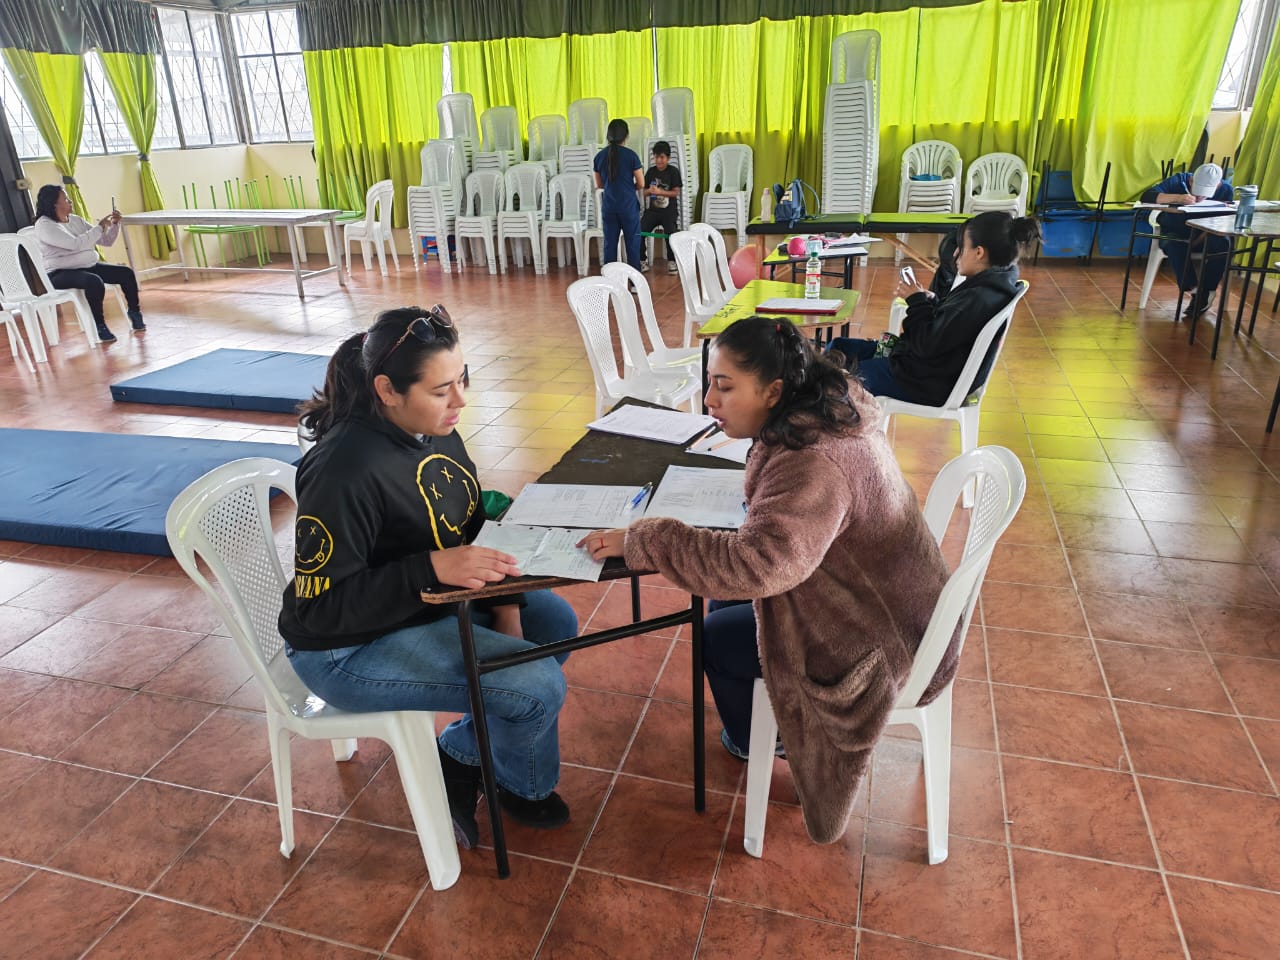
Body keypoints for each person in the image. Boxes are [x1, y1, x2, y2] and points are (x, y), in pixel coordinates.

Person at [579, 316, 952, 844]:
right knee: (718, 603)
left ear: (774, 391)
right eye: (710, 382)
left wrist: (650, 539)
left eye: (725, 387)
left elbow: (759, 565)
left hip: (881, 645)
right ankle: (762, 724)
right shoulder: (824, 414)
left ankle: (763, 741)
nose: (709, 399)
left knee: (714, 637)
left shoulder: (811, 461)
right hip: (894, 609)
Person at [279, 305, 579, 849]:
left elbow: (471, 526)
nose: (460, 401)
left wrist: (507, 603)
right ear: (388, 390)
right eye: (441, 390)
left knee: (554, 623)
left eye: (462, 380)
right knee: (535, 685)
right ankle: (518, 784)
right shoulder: (344, 470)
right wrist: (432, 567)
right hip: (345, 647)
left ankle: (459, 755)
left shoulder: (432, 429)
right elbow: (321, 611)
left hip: (423, 601)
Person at [826, 211, 1039, 406]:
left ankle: (827, 426)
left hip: (922, 382)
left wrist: (917, 301)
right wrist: (933, 301)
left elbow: (925, 343)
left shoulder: (979, 297)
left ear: (979, 252)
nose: (955, 253)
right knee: (838, 347)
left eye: (962, 247)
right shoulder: (993, 284)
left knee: (832, 377)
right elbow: (951, 330)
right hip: (929, 371)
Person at [32, 184, 144, 342]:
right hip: (59, 273)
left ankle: (134, 312)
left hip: (87, 266)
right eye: (65, 199)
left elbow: (106, 241)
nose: (70, 201)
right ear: (54, 203)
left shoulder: (75, 220)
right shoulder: (44, 225)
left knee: (125, 273)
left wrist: (114, 224)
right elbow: (75, 244)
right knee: (93, 281)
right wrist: (99, 228)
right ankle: (100, 325)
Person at [1140, 162, 1234, 319]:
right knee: (1173, 243)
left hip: (1205, 234)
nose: (1200, 197)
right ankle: (1195, 291)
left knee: (1223, 242)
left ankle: (1208, 290)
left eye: (1205, 194)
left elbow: (1222, 221)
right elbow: (1147, 196)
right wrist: (1178, 197)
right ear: (1191, 181)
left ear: (1217, 186)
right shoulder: (1178, 181)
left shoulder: (1225, 190)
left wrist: (1203, 236)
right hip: (1175, 231)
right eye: (1198, 191)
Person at [593, 119, 644, 269]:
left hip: (609, 207)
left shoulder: (599, 157)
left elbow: (599, 185)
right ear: (626, 136)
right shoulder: (631, 156)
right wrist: (629, 188)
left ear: (608, 136)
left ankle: (610, 279)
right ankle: (634, 279)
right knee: (633, 245)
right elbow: (641, 183)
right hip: (628, 207)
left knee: (609, 246)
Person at [639, 140, 682, 274]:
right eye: (656, 157)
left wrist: (660, 192)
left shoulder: (673, 172)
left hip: (669, 211)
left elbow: (676, 192)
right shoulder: (651, 172)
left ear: (668, 158)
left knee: (670, 232)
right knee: (639, 230)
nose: (659, 160)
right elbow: (643, 192)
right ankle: (642, 261)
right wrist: (649, 191)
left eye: (662, 157)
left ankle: (672, 261)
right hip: (653, 211)